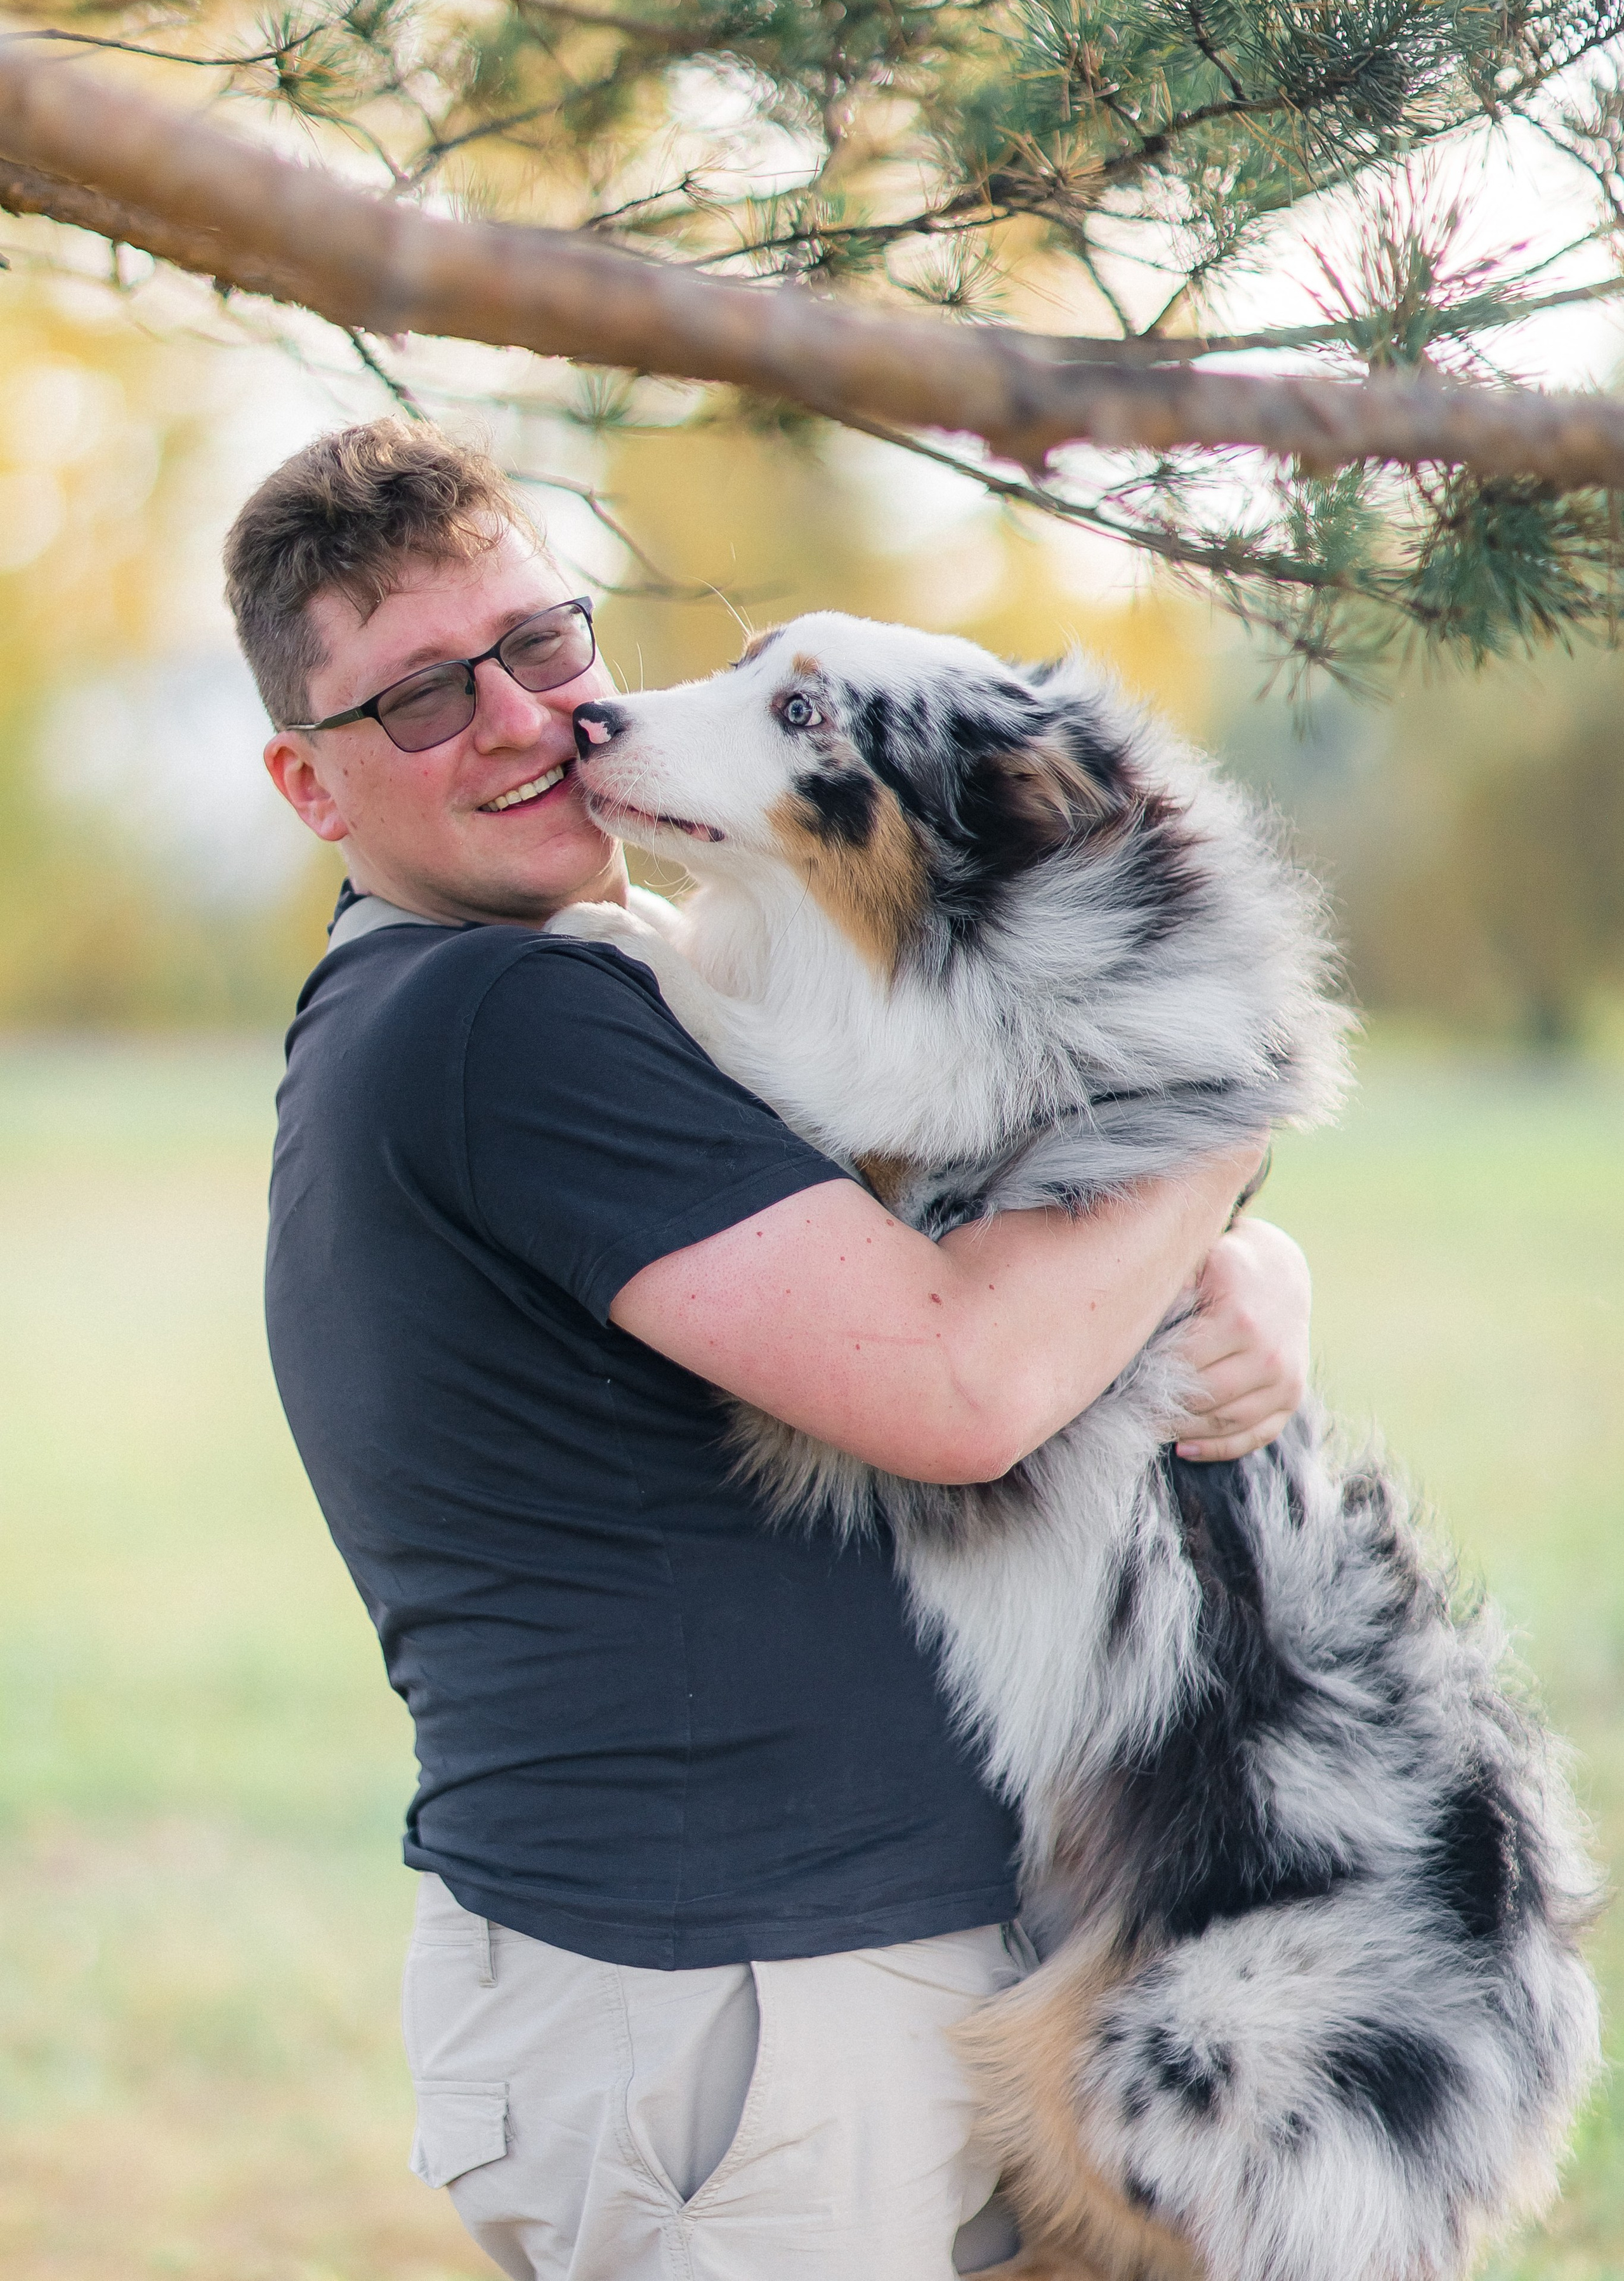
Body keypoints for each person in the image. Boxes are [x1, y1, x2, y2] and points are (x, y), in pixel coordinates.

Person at [237, 418, 1313, 2281]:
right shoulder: (509, 1020)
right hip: (733, 2016)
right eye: (420, 699)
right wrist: (1234, 1118)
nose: (524, 719)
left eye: (541, 646)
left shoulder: (575, 990)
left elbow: (1002, 1254)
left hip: (801, 1989)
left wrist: (1251, 1269)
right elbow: (963, 1385)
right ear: (310, 786)